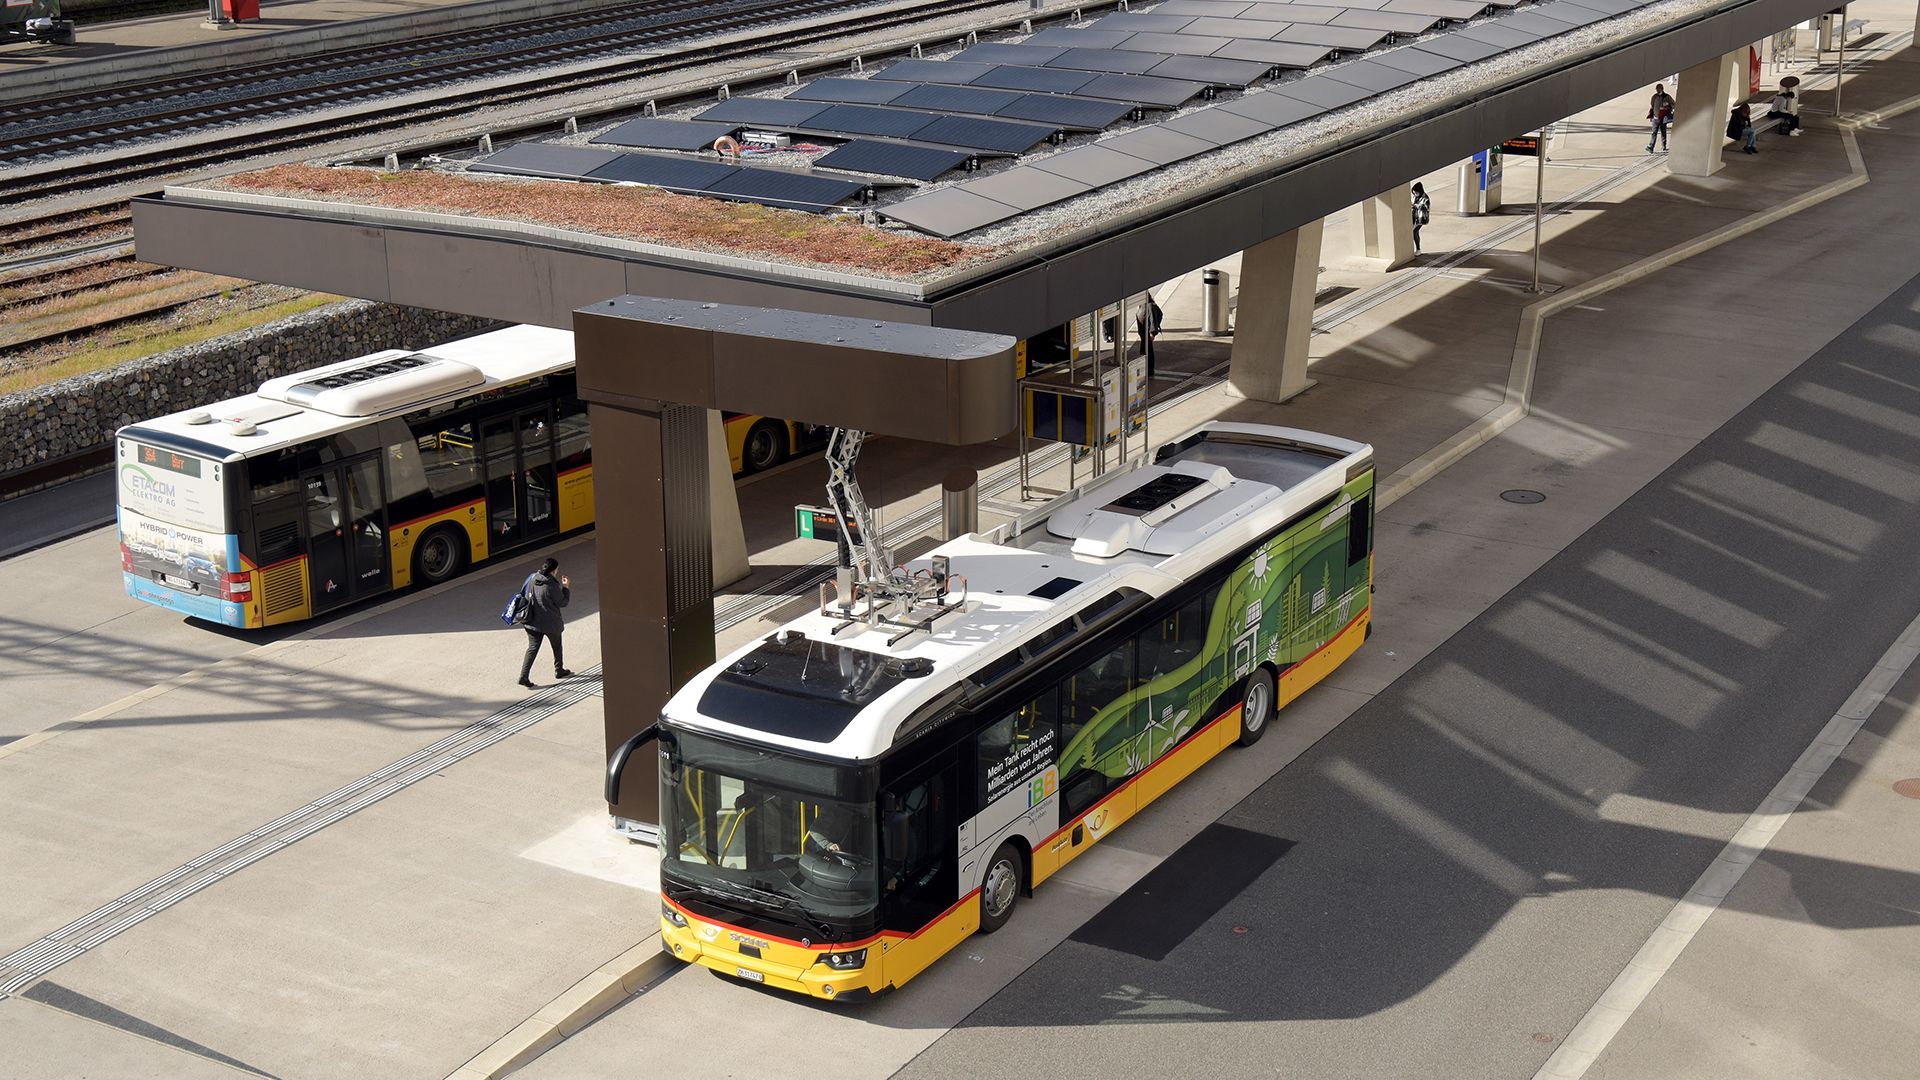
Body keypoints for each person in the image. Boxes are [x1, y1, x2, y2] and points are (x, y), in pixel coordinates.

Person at [516, 557, 572, 688]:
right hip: (550, 623)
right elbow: (563, 602)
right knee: (557, 646)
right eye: (557, 569)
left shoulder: (532, 578)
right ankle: (559, 670)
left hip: (531, 621)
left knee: (532, 649)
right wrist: (566, 587)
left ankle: (523, 676)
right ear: (553, 571)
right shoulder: (551, 585)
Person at [1133, 296, 1163, 378]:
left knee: (1148, 351)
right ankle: (1145, 369)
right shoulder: (1143, 305)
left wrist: (1152, 332)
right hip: (1143, 334)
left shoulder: (1149, 306)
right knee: (1144, 351)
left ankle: (1149, 370)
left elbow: (1154, 318)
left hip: (1147, 334)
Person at [1647, 84, 1676, 153]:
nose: (1657, 90)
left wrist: (1667, 106)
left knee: (1663, 132)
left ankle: (1664, 146)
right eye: (1656, 89)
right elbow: (1652, 105)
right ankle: (1651, 147)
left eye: (1658, 88)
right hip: (1655, 117)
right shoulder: (1654, 97)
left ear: (1662, 89)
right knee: (1654, 132)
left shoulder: (1667, 97)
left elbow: (1673, 104)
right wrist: (1651, 116)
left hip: (1663, 118)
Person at [1411, 182, 1432, 253]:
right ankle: (1417, 249)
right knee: (1414, 232)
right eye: (1414, 192)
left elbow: (1427, 208)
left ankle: (1418, 249)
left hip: (1421, 218)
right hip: (1414, 216)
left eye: (1416, 192)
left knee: (1414, 231)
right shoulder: (1415, 196)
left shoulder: (1425, 198)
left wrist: (1416, 206)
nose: (1415, 193)